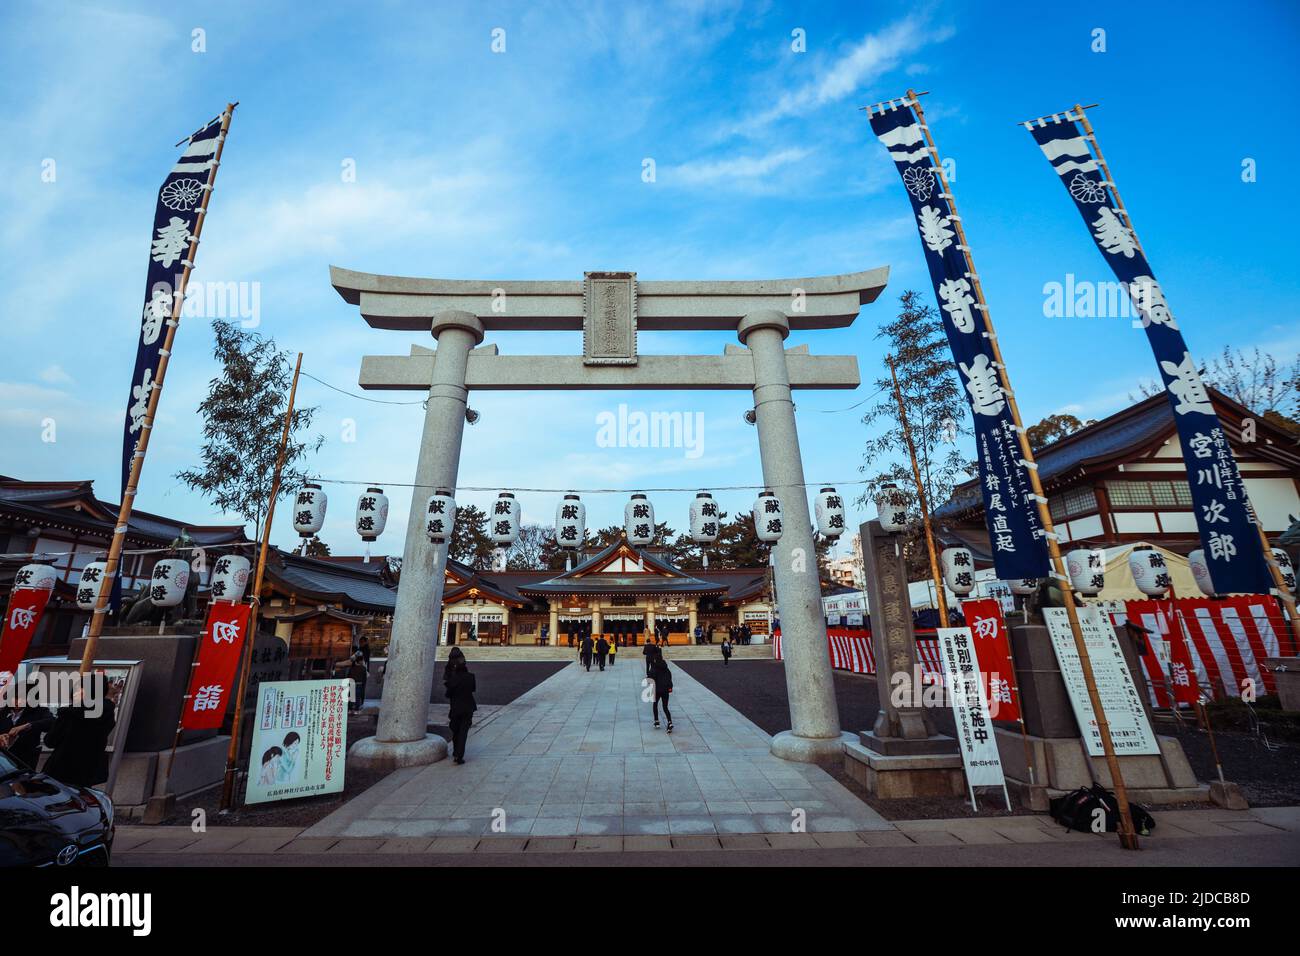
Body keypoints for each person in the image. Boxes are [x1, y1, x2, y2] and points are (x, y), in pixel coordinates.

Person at [42, 673, 118, 788]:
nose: (76, 692)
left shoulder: (69, 714)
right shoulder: (107, 713)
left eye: (79, 689)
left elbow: (50, 741)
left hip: (61, 768)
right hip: (88, 770)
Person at [0, 677, 54, 769]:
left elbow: (51, 722)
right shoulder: (3, 712)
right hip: (3, 762)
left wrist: (27, 726)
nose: (18, 702)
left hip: (25, 761)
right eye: (16, 698)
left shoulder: (39, 711)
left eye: (24, 699)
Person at [444, 652, 477, 764]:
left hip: (456, 708)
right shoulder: (471, 677)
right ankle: (459, 755)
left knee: (456, 730)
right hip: (468, 707)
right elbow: (472, 689)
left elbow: (448, 694)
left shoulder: (453, 679)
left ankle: (456, 752)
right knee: (463, 732)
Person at [649, 655, 673, 732]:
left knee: (655, 704)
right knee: (665, 707)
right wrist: (670, 687)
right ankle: (669, 722)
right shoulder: (666, 669)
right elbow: (670, 678)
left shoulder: (654, 668)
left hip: (657, 690)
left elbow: (650, 679)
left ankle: (656, 721)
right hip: (665, 690)